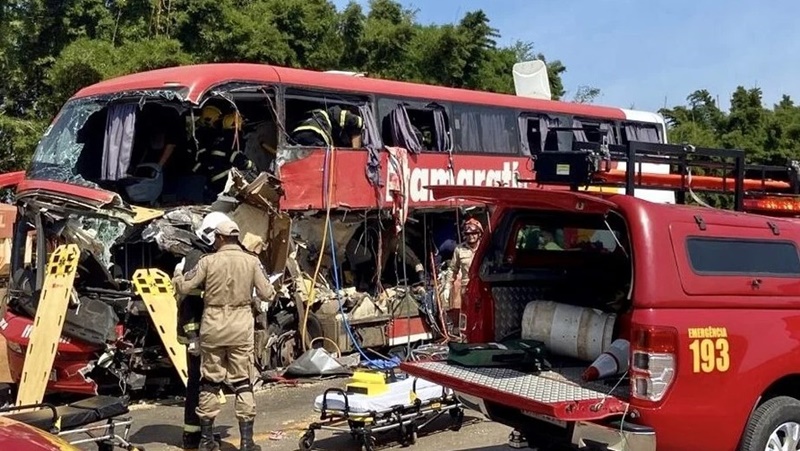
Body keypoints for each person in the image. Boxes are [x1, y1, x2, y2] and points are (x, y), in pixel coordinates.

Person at [172, 220, 276, 451]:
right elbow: (268, 293)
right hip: (240, 330)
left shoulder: (207, 261)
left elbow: (184, 287)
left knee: (209, 382)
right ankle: (247, 442)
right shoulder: (252, 261)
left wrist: (178, 274)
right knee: (242, 382)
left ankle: (207, 440)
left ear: (219, 238)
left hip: (213, 328)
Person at [175, 212, 232, 449]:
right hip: (196, 332)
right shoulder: (196, 258)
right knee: (198, 384)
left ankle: (197, 433)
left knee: (203, 383)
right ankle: (193, 437)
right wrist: (192, 337)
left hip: (203, 331)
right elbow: (189, 302)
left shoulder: (205, 256)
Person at [192, 103, 260, 197]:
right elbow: (235, 156)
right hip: (223, 178)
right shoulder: (233, 138)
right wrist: (250, 165)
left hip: (213, 177)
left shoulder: (219, 137)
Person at [444, 218, 484, 330]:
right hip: (466, 289)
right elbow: (453, 269)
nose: (471, 236)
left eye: (474, 233)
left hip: (482, 287)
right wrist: (448, 286)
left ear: (479, 234)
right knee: (467, 317)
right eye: (468, 234)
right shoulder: (459, 249)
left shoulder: (484, 248)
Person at [289, 105, 364, 148]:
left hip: (297, 136)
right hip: (314, 135)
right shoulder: (337, 114)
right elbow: (358, 122)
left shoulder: (318, 115)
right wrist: (356, 149)